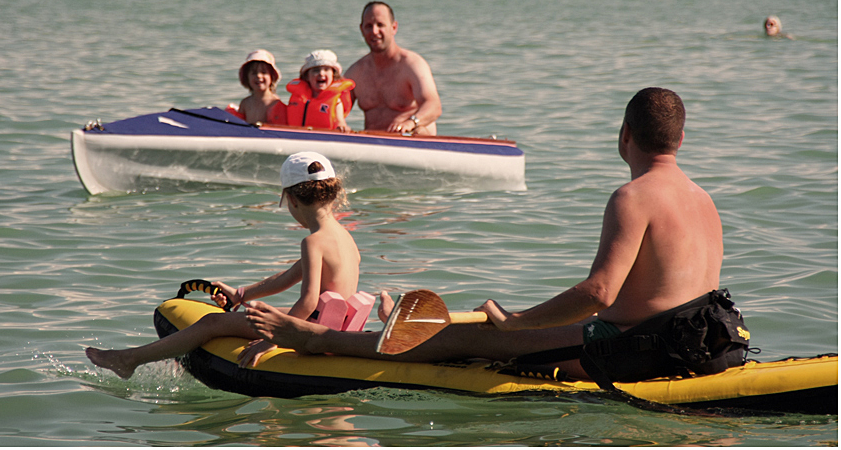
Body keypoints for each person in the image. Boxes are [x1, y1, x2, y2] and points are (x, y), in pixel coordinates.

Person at [242, 88, 729, 378]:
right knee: (482, 324)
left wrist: (518, 322)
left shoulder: (633, 196)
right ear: (680, 139)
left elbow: (599, 293)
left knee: (459, 339)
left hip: (633, 351)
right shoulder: (704, 199)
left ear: (624, 135)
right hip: (702, 345)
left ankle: (311, 337)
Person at [86, 151, 361, 377]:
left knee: (211, 323)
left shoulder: (312, 242)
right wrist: (242, 295)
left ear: (290, 199)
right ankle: (135, 357)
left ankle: (130, 359)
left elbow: (309, 302)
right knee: (252, 310)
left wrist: (272, 339)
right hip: (333, 328)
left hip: (310, 330)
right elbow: (289, 276)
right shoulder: (342, 237)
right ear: (333, 194)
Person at [344, 2, 442, 136]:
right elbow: (332, 108)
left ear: (394, 27)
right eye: (368, 26)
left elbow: (433, 106)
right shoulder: (355, 73)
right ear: (361, 30)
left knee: (420, 130)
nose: (374, 31)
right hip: (374, 145)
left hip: (411, 141)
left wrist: (410, 123)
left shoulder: (412, 64)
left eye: (380, 25)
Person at [286, 50, 354, 132]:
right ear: (307, 76)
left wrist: (342, 126)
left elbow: (340, 122)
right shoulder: (298, 96)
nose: (321, 73)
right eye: (316, 70)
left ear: (333, 75)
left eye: (326, 70)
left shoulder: (337, 101)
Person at [226, 50, 288, 125]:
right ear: (247, 78)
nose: (258, 76)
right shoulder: (245, 103)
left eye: (264, 72)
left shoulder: (275, 102)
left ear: (272, 77)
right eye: (254, 73)